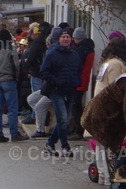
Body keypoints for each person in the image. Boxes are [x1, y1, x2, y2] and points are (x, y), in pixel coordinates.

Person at [39, 29, 82, 157]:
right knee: (62, 118)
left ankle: (50, 143)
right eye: (63, 37)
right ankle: (65, 146)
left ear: (71, 39)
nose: (65, 39)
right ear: (59, 39)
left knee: (65, 120)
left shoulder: (74, 55)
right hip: (56, 91)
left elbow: (79, 70)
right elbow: (44, 71)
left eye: (68, 37)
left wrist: (76, 82)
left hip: (70, 90)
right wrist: (56, 82)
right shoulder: (52, 54)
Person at [0, 30, 26, 142]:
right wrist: (16, 79)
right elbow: (16, 66)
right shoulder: (11, 50)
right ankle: (14, 134)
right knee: (12, 109)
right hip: (9, 80)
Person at [19, 22, 51, 124]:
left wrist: (27, 62)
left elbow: (32, 58)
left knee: (35, 97)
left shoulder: (37, 42)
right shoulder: (49, 41)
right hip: (45, 74)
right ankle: (42, 117)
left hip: (36, 73)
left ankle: (36, 117)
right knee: (43, 96)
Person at [67, 27, 95, 140]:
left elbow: (75, 65)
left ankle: (79, 130)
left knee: (75, 107)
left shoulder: (81, 50)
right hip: (83, 80)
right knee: (77, 106)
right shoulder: (89, 48)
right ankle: (79, 129)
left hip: (78, 81)